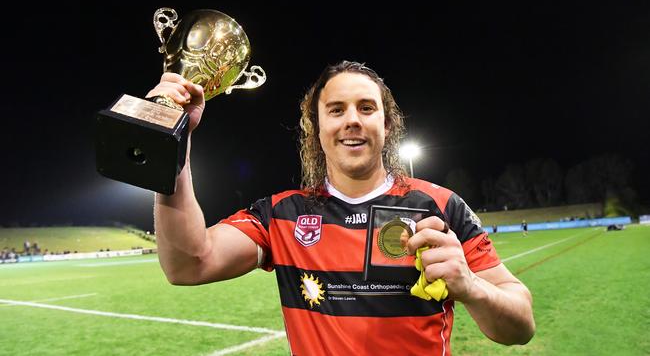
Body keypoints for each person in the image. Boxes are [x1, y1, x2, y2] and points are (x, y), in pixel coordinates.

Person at [150, 61, 535, 355]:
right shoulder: (282, 216)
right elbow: (188, 263)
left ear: (387, 126)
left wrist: (471, 287)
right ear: (317, 130)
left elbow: (521, 326)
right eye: (336, 110)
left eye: (366, 108)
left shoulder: (440, 206)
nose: (352, 120)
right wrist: (171, 138)